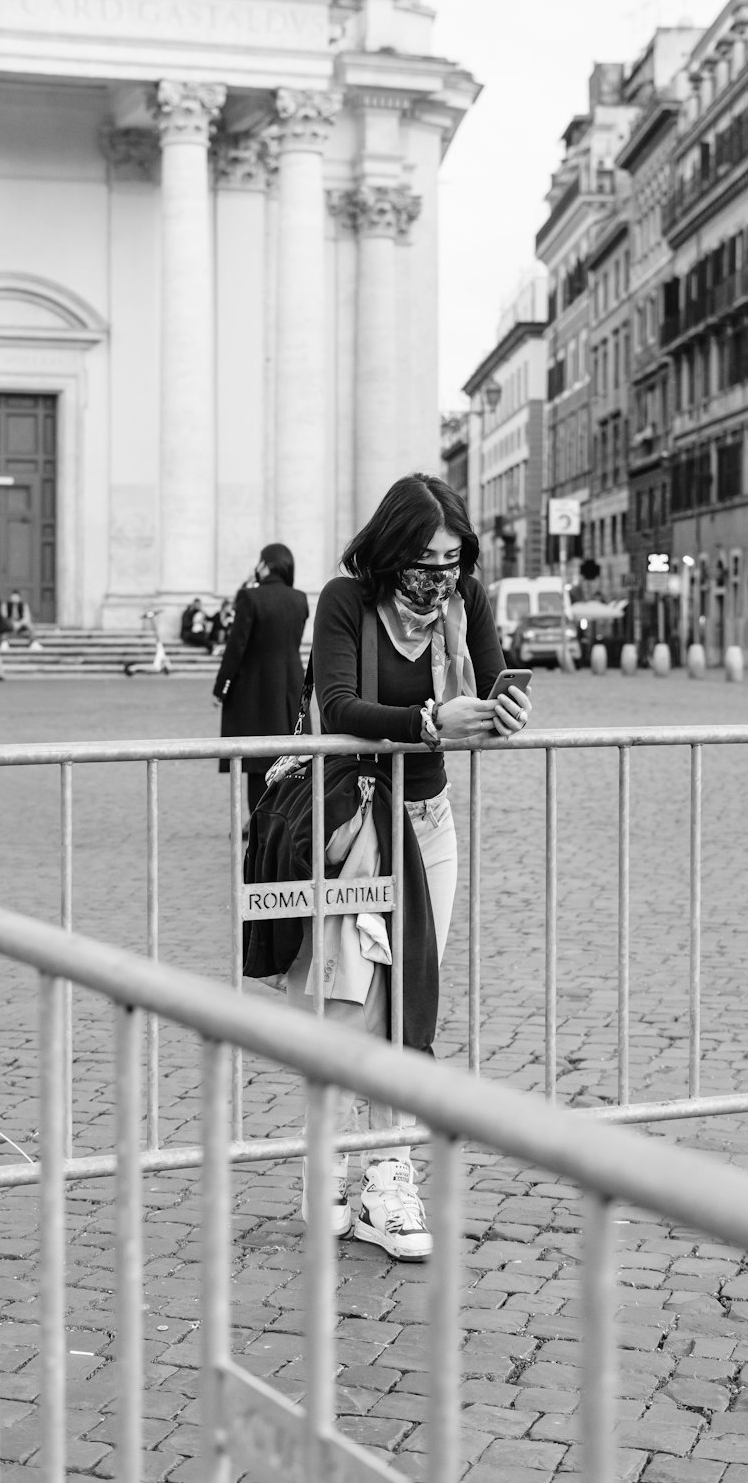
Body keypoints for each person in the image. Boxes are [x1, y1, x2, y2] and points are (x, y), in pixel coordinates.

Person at [291, 473, 531, 1260]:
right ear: (391, 550)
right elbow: (340, 705)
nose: (438, 577)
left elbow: (488, 691)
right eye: (424, 560)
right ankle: (326, 1163)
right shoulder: (344, 601)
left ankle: (386, 1179)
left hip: (428, 823)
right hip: (354, 819)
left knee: (407, 1002)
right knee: (346, 1002)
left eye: (452, 559)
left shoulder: (465, 600)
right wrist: (429, 720)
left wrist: (504, 713)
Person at [212, 545, 308, 829]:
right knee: (291, 757)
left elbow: (236, 647)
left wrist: (221, 687)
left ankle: (259, 821)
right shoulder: (300, 599)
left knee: (257, 760)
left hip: (255, 689)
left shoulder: (250, 597)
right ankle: (285, 818)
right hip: (291, 685)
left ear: (266, 565)